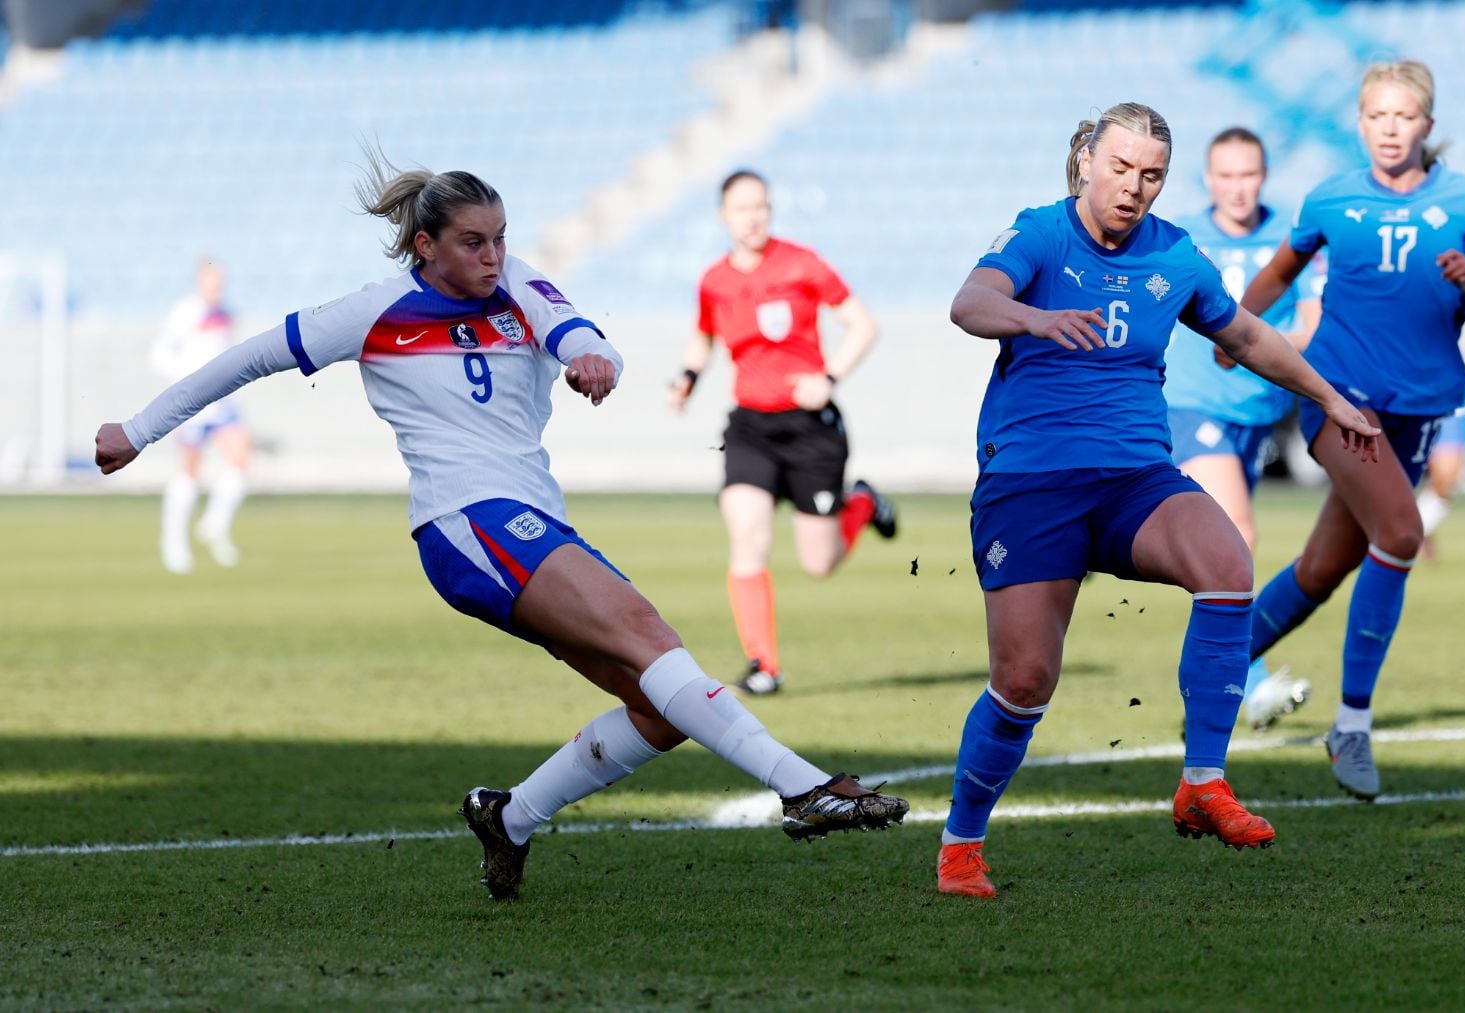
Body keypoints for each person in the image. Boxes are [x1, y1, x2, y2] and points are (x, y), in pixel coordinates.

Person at [93, 152, 908, 901]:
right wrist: (137, 430)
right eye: (473, 242)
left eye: (500, 238)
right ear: (425, 247)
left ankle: (510, 817)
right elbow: (247, 358)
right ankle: (802, 786)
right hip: (465, 521)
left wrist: (597, 360)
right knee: (646, 631)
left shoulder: (518, 284)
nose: (493, 256)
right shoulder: (377, 311)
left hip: (532, 518)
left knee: (659, 710)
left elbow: (581, 334)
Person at [937, 103, 1381, 899]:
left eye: (1149, 175)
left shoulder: (1175, 253)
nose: (1132, 188)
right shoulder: (1040, 234)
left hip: (1137, 479)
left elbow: (1245, 337)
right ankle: (961, 844)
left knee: (1227, 564)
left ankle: (1202, 781)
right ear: (1085, 163)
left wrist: (1331, 397)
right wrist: (1035, 319)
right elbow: (969, 303)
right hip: (1032, 484)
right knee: (1026, 677)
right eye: (1119, 168)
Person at [1236, 60, 1465, 801]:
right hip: (1338, 397)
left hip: (1419, 409)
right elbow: (1279, 270)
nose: (1390, 130)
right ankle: (1352, 725)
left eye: (1404, 118)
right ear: (1360, 123)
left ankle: (1210, 668)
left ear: (1428, 125)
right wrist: (1232, 326)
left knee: (1320, 570)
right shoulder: (1332, 197)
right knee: (1399, 535)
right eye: (1377, 117)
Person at [668, 170, 897, 696]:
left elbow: (863, 324)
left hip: (810, 430)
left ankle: (862, 502)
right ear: (723, 216)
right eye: (741, 208)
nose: (752, 217)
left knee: (819, 562)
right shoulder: (714, 280)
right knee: (746, 537)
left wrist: (830, 377)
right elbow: (702, 337)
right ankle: (763, 666)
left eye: (760, 207)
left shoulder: (801, 263)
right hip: (750, 427)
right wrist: (687, 379)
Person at [1167, 126, 1326, 731]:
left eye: (1248, 175)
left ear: (1264, 175)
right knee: (1238, 536)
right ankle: (1241, 681)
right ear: (1209, 180)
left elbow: (1312, 326)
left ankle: (1212, 688)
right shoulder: (1182, 238)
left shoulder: (1293, 237)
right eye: (1225, 176)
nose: (1237, 188)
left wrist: (1251, 344)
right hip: (1191, 406)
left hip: (1257, 415)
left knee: (1223, 559)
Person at [149, 259, 251, 573]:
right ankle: (173, 542)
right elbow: (158, 354)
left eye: (220, 281)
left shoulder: (226, 312)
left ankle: (214, 526)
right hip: (194, 404)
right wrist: (189, 382)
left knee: (241, 460)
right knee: (190, 472)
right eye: (211, 281)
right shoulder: (186, 312)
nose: (216, 287)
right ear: (199, 282)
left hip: (221, 403)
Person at [1415, 354, 1465, 557]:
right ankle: (1415, 529)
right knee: (1441, 486)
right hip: (1441, 431)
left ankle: (1419, 528)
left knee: (1445, 488)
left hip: (1451, 432)